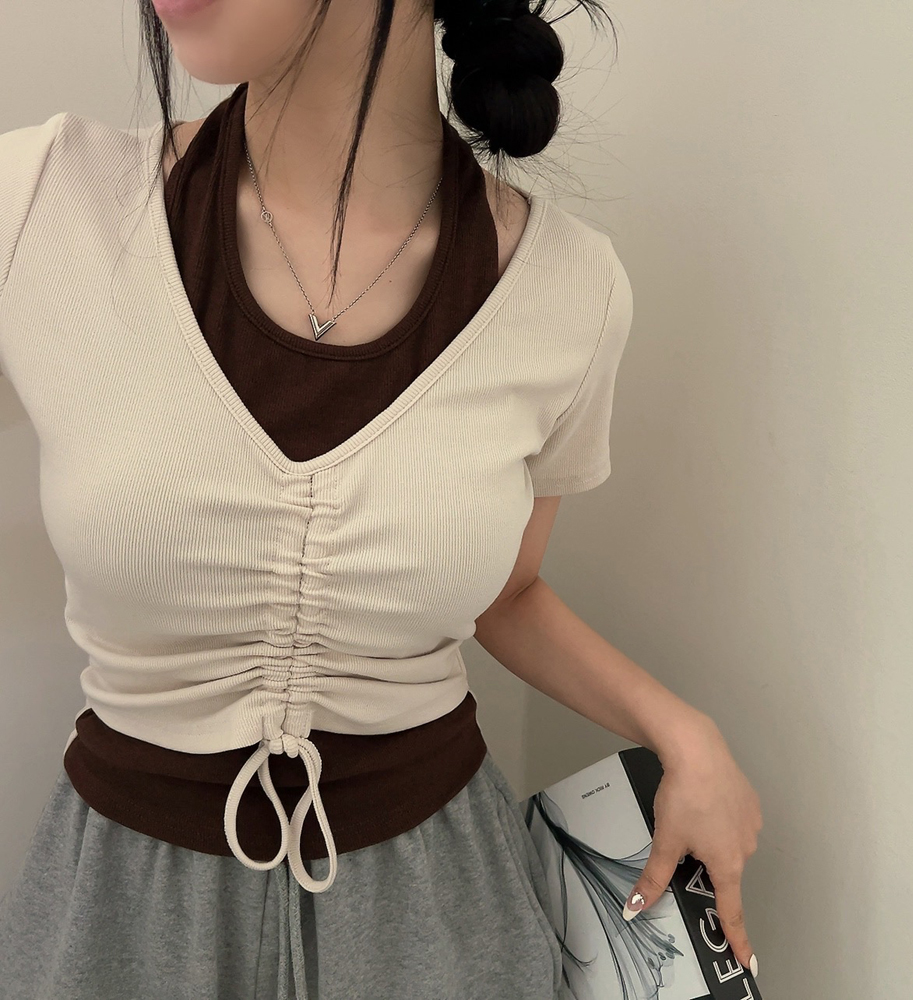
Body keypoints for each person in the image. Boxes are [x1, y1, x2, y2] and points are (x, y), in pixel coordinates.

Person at [0, 1, 762, 997]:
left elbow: (508, 591)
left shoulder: (568, 289)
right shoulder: (44, 202)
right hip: (122, 916)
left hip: (435, 914)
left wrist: (681, 731)